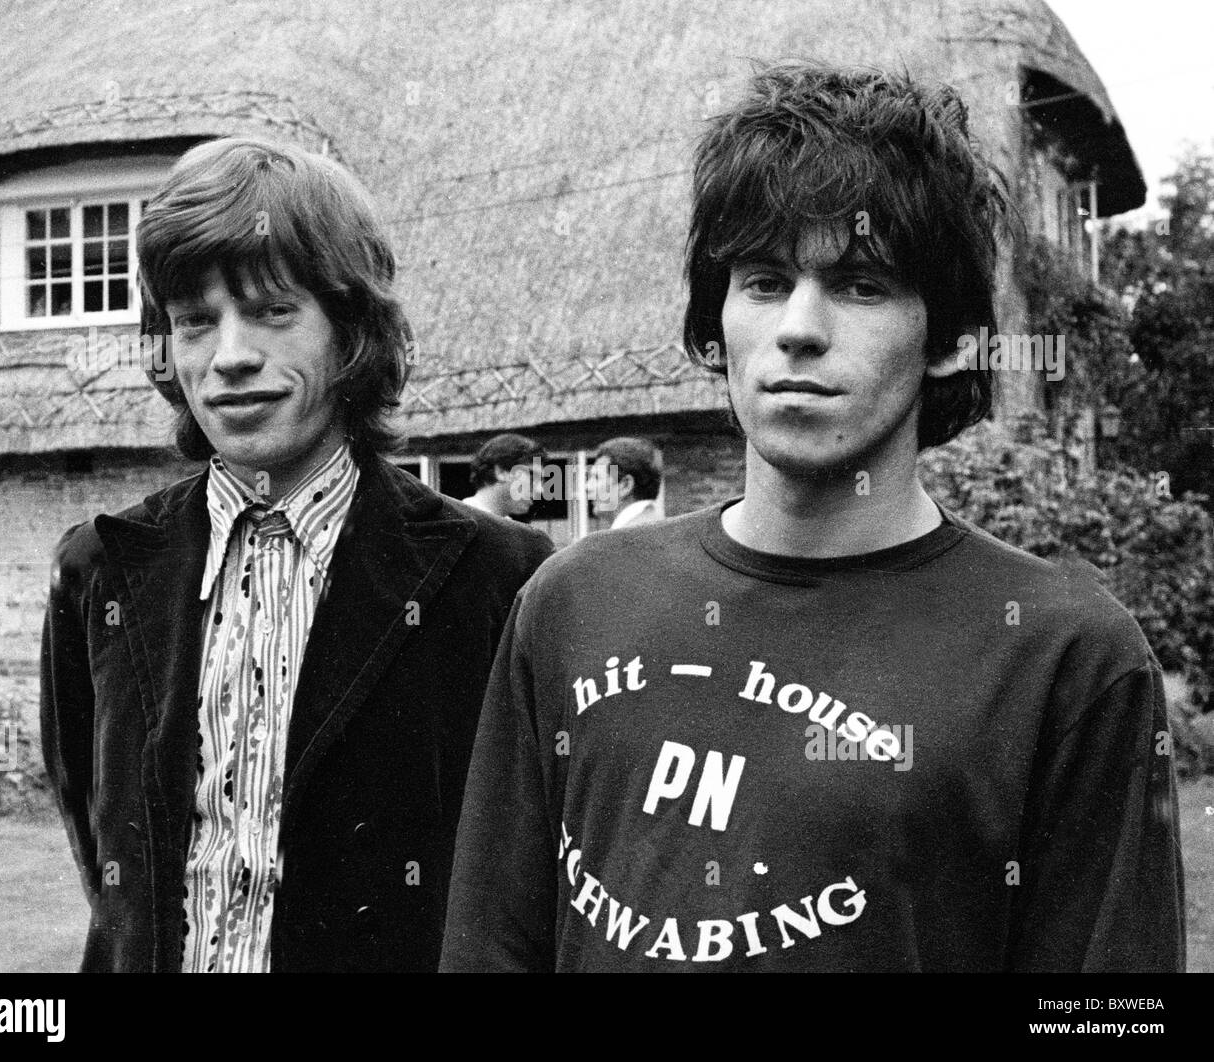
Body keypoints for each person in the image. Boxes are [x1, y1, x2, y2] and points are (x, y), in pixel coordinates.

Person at [440, 63, 1185, 972]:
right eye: (762, 280)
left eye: (862, 285)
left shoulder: (1064, 659)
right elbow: (490, 949)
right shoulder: (572, 603)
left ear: (948, 337)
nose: (799, 326)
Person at [39, 137, 553, 973]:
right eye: (195, 321)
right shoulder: (97, 571)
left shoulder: (497, 577)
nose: (231, 355)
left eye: (273, 310)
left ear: (350, 331)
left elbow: (517, 884)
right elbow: (100, 841)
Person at [587, 437, 664, 528]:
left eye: (597, 477)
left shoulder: (626, 535)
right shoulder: (661, 526)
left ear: (625, 485)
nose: (587, 487)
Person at [464, 433, 546, 519]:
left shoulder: (511, 527)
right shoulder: (460, 519)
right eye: (532, 477)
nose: (540, 490)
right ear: (501, 472)